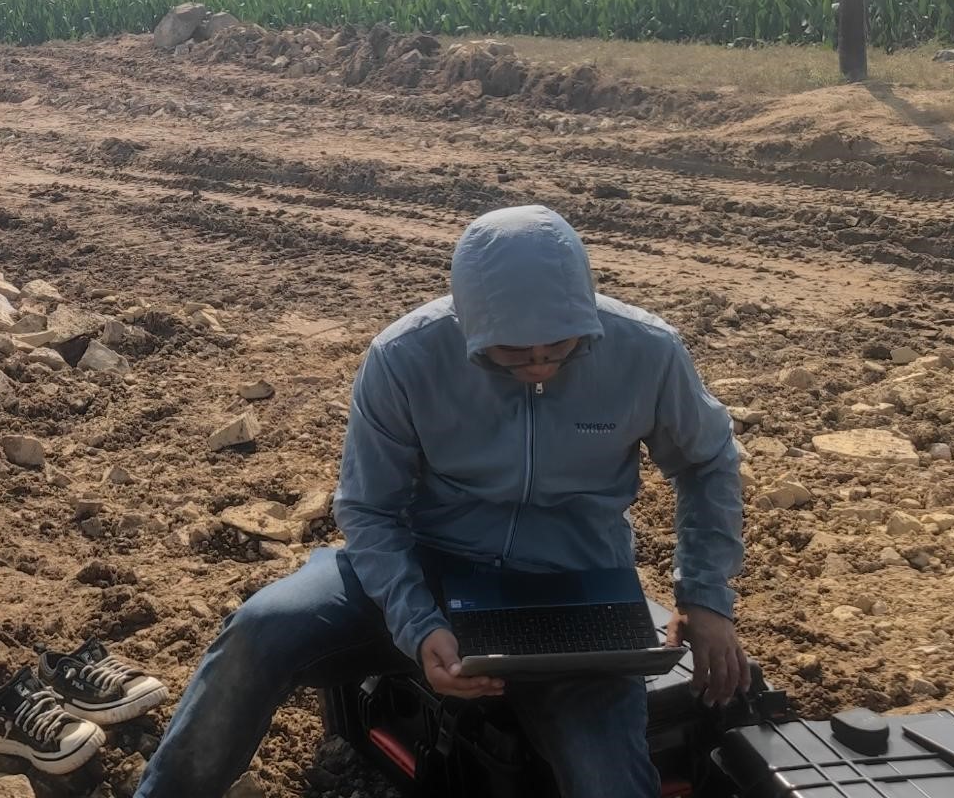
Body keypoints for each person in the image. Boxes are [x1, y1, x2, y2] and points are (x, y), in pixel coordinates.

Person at [136, 205, 745, 798]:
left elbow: (707, 461)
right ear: (470, 324)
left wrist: (705, 596)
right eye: (513, 353)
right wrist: (418, 623)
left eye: (560, 347)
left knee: (606, 773)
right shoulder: (406, 357)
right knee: (260, 630)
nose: (539, 366)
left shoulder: (647, 352)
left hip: (571, 586)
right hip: (427, 567)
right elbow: (369, 508)